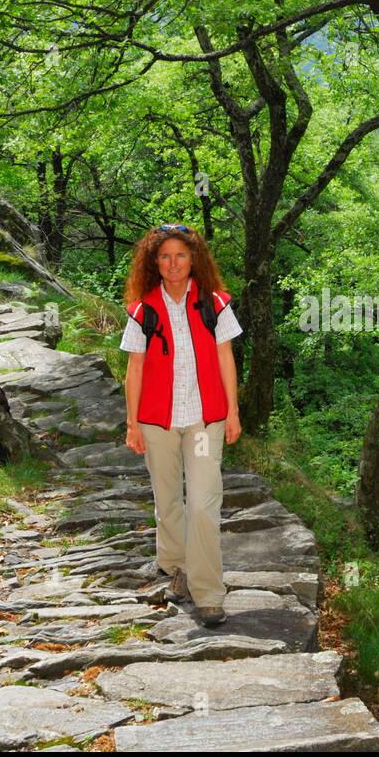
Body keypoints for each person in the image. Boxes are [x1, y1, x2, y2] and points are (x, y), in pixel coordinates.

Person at [120, 223, 243, 626]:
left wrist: (233, 413)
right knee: (168, 499)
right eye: (165, 257)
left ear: (194, 260)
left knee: (204, 502)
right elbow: (134, 369)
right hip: (157, 422)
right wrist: (132, 423)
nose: (173, 264)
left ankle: (209, 594)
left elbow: (226, 359)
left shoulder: (216, 304)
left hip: (205, 421)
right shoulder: (143, 310)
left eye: (181, 256)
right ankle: (178, 570)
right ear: (154, 262)